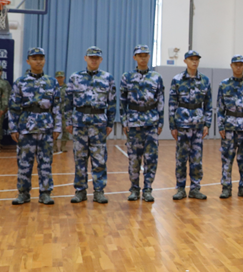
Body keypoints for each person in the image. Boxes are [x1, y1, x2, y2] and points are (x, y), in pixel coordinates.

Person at [9, 48, 61, 205]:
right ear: (28, 61)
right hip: (26, 127)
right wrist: (13, 128)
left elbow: (57, 107)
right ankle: (23, 193)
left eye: (41, 58)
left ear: (44, 60)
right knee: (24, 162)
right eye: (34, 58)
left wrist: (58, 127)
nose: (38, 61)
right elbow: (13, 107)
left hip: (46, 127)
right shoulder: (20, 82)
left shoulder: (52, 82)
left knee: (46, 162)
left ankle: (45, 193)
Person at [66, 46, 116, 205]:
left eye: (97, 57)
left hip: (99, 123)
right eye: (91, 57)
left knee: (99, 159)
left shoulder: (107, 78)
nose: (94, 60)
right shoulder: (75, 77)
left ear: (101, 60)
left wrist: (110, 123)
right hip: (80, 122)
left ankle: (99, 191)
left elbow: (112, 103)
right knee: (79, 158)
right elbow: (67, 101)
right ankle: (80, 191)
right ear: (85, 58)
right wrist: (68, 121)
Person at [119, 45, 165, 203]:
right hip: (133, 123)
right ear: (135, 58)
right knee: (134, 158)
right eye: (140, 55)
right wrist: (124, 121)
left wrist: (160, 122)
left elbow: (160, 101)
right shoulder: (127, 77)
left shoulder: (156, 77)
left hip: (151, 123)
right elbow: (122, 102)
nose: (143, 58)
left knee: (151, 158)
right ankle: (134, 189)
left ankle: (148, 189)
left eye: (146, 55)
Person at [169, 50, 212, 200]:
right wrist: (172, 126)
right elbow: (172, 103)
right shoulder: (177, 79)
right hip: (182, 124)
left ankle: (195, 188)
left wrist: (207, 123)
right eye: (191, 59)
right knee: (181, 158)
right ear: (185, 61)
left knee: (196, 159)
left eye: (196, 59)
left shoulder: (205, 80)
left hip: (198, 125)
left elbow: (208, 104)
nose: (194, 62)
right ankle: (180, 189)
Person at [217, 55, 243, 199]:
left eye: (241, 64)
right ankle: (226, 187)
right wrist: (220, 126)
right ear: (231, 66)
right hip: (229, 127)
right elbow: (220, 108)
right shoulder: (224, 85)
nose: (238, 67)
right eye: (236, 64)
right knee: (227, 158)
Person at [53, 71, 71, 154]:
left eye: (61, 77)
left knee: (65, 129)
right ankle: (54, 146)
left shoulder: (68, 88)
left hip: (65, 112)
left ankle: (63, 145)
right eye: (58, 77)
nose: (59, 79)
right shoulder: (52, 87)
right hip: (54, 112)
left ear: (64, 78)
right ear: (55, 78)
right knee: (53, 129)